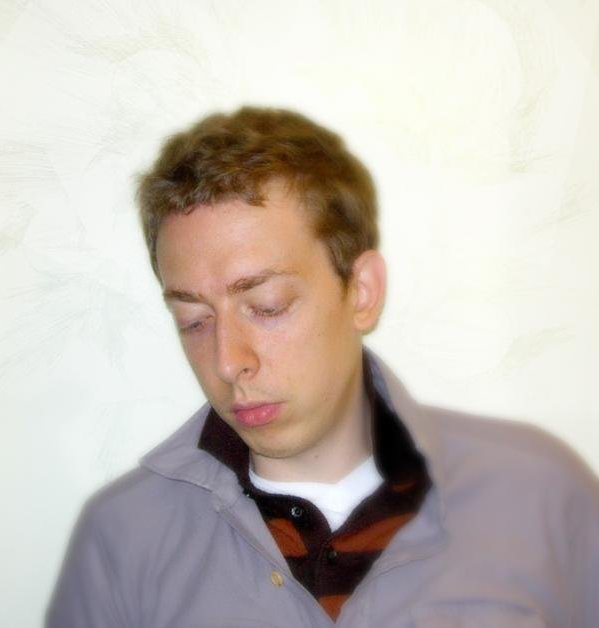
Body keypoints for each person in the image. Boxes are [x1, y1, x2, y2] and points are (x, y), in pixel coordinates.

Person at [46, 107, 599, 627]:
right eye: (193, 320)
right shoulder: (122, 538)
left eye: (267, 306)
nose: (228, 361)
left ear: (361, 292)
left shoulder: (539, 495)